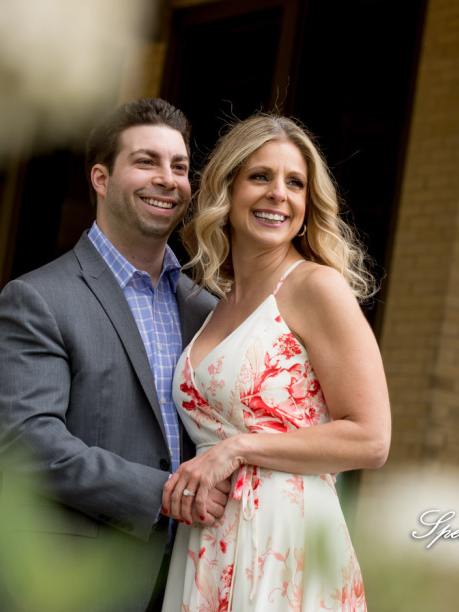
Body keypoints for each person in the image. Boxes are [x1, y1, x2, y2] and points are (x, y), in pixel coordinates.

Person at [0, 98, 226, 612]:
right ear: (100, 178)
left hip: (185, 584)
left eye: (179, 167)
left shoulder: (209, 311)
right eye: (146, 161)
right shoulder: (37, 299)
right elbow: (29, 444)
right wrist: (164, 494)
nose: (168, 179)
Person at [160, 114, 392, 611]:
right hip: (208, 540)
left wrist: (236, 449)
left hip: (286, 539)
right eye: (260, 176)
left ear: (308, 206)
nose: (278, 194)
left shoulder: (315, 287)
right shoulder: (215, 304)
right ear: (228, 189)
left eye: (295, 183)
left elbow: (371, 439)